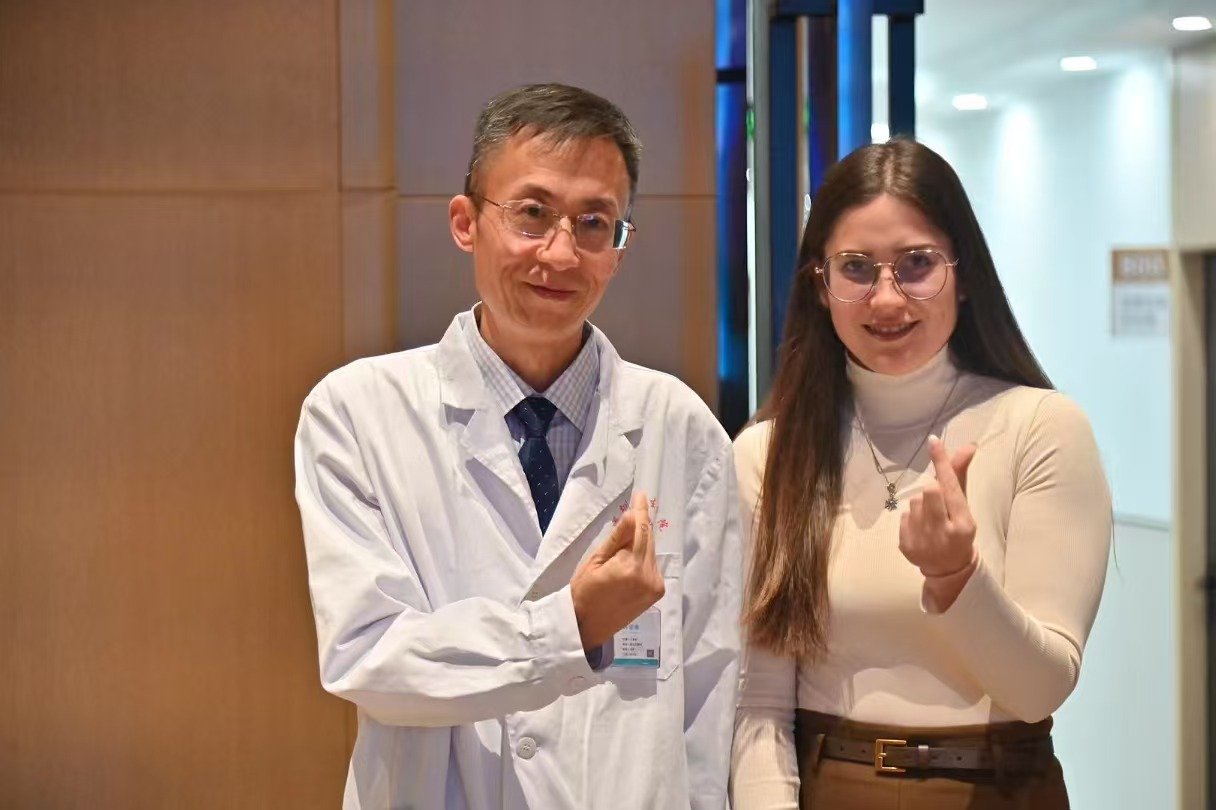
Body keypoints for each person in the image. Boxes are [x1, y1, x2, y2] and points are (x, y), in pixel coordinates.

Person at [294, 83, 741, 810]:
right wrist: (569, 627)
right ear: (466, 222)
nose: (561, 253)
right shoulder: (355, 413)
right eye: (532, 214)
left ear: (619, 247)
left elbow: (710, 689)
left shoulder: (678, 425)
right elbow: (367, 657)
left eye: (595, 223)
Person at [730, 139, 1110, 809]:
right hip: (829, 787)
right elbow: (758, 704)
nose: (886, 298)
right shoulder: (766, 453)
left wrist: (956, 576)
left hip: (1000, 787)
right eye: (855, 268)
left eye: (916, 265)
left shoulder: (1041, 427)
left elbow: (1039, 689)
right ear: (819, 285)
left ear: (963, 275)